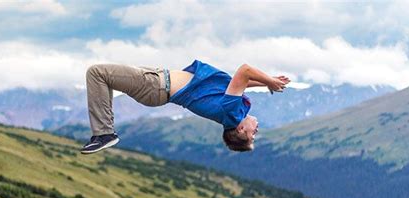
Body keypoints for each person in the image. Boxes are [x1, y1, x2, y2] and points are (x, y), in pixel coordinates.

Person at [81, 59, 290, 154]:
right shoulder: (234, 110)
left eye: (252, 136)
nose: (256, 132)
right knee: (103, 77)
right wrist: (267, 81)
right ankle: (104, 132)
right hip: (157, 82)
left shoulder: (231, 112)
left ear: (240, 129)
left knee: (97, 73)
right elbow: (240, 81)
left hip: (156, 86)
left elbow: (244, 70)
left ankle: (104, 133)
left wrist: (268, 81)